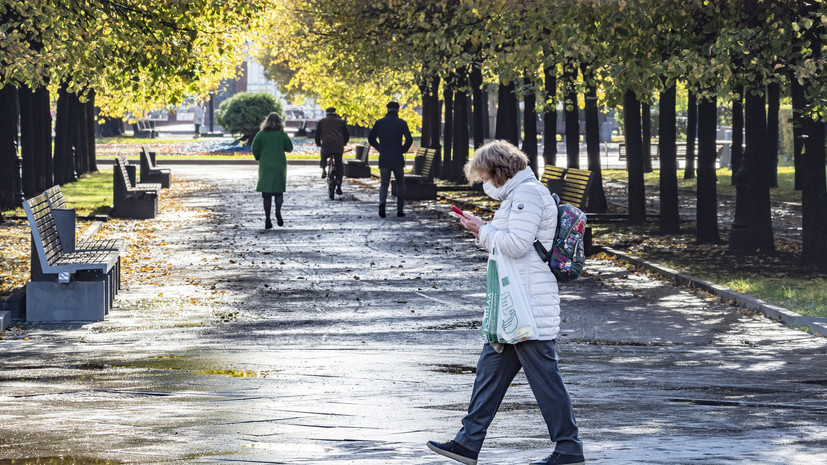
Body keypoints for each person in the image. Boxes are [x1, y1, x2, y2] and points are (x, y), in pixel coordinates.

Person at [427, 140, 585, 465]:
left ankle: (568, 449)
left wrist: (482, 229)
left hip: (527, 304)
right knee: (490, 372)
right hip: (514, 304)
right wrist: (480, 229)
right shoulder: (517, 194)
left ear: (499, 171)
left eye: (485, 175)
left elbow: (515, 245)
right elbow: (507, 239)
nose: (484, 182)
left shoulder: (527, 195)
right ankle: (468, 443)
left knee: (546, 382)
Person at [368, 101, 413, 218]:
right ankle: (400, 210)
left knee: (384, 184)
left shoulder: (379, 122)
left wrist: (379, 147)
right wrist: (403, 149)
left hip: (384, 157)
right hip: (397, 157)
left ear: (387, 109)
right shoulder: (402, 123)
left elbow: (371, 138)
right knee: (400, 184)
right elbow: (409, 139)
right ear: (398, 109)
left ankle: (382, 202)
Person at [252, 112, 293, 229]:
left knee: (266, 194)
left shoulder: (261, 134)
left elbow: (254, 148)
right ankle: (278, 211)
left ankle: (267, 219)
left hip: (266, 166)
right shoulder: (281, 134)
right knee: (278, 191)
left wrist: (259, 157)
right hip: (279, 165)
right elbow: (289, 148)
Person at [315, 107, 350, 194]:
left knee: (323, 155)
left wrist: (318, 143)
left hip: (326, 145)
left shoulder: (322, 121)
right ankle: (339, 184)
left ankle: (323, 169)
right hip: (338, 146)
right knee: (339, 165)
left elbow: (317, 134)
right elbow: (346, 134)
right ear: (335, 113)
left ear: (326, 113)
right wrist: (344, 143)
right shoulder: (341, 122)